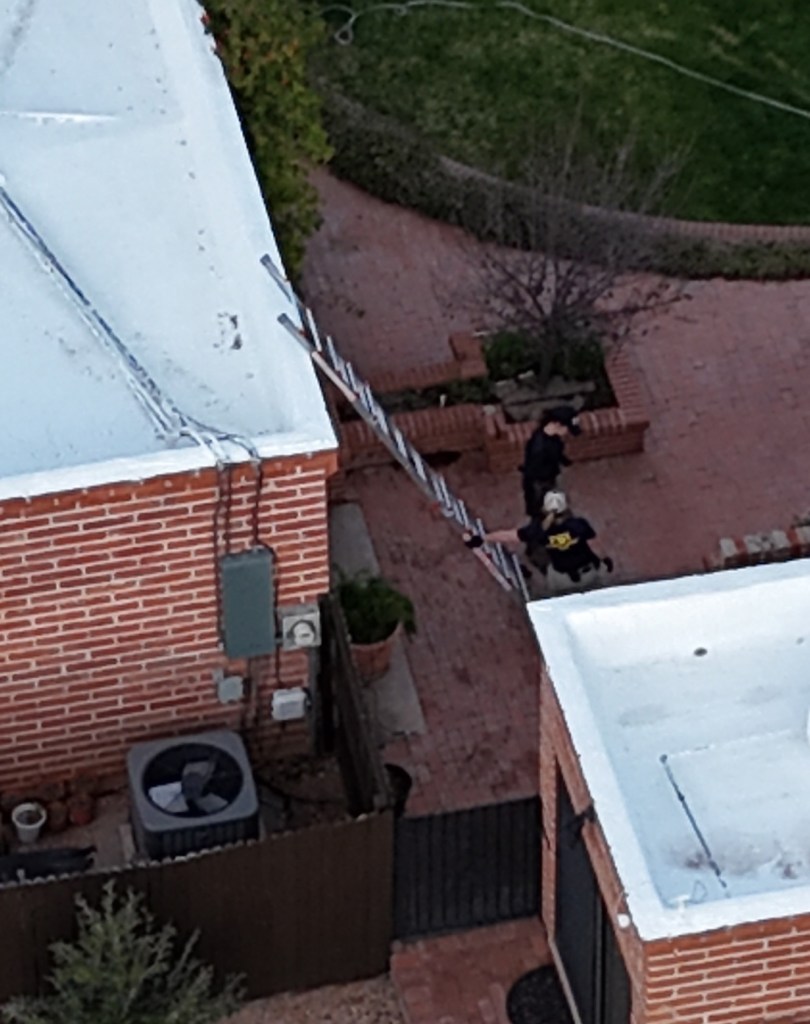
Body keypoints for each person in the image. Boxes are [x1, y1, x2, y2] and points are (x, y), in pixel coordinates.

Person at [465, 489, 613, 594]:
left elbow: (509, 536)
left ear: (544, 508)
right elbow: (595, 545)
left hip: (562, 578)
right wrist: (605, 561)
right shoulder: (578, 524)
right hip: (589, 573)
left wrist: (483, 538)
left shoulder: (539, 530)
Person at [520, 405, 582, 517]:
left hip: (547, 479)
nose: (567, 433)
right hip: (540, 484)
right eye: (567, 429)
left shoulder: (552, 438)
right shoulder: (539, 448)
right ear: (558, 425)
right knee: (546, 515)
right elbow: (535, 472)